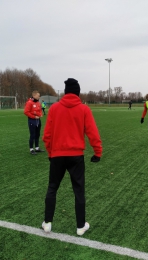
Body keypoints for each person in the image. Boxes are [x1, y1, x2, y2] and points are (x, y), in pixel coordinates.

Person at [42, 78, 102, 236]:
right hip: (76, 157)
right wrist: (97, 152)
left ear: (66, 91)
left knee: (52, 188)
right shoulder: (84, 109)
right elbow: (92, 132)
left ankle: (47, 223)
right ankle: (80, 226)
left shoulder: (54, 109)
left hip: (57, 156)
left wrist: (50, 153)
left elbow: (47, 136)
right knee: (79, 191)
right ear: (78, 92)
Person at [24, 90, 45, 155]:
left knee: (37, 134)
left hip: (38, 120)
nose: (39, 97)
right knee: (32, 135)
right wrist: (33, 116)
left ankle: (37, 148)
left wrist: (40, 114)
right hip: (32, 121)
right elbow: (26, 112)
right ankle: (31, 149)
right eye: (38, 95)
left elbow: (40, 110)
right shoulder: (29, 102)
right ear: (34, 95)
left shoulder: (38, 103)